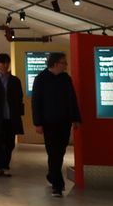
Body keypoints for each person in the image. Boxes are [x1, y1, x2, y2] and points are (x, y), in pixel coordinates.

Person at [31, 52, 81, 198]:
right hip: (49, 123)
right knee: (53, 152)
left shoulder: (66, 79)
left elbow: (72, 100)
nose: (65, 65)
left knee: (59, 152)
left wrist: (75, 119)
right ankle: (57, 186)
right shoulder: (41, 79)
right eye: (63, 62)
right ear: (54, 64)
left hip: (64, 122)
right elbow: (36, 102)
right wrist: (38, 123)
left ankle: (52, 175)